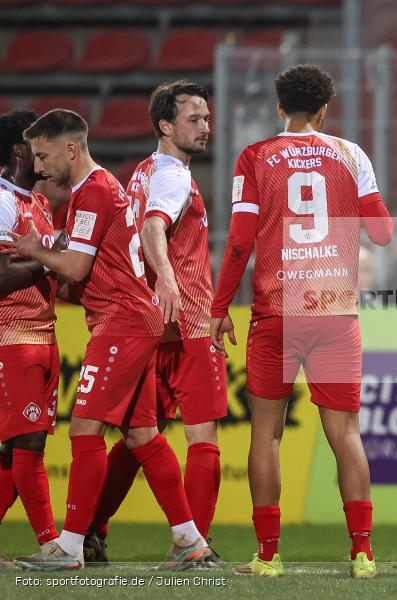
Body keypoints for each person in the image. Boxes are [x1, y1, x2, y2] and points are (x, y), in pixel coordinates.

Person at [210, 64, 394, 578]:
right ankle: (362, 553)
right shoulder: (350, 154)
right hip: (334, 310)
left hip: (276, 312)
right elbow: (381, 233)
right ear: (325, 109)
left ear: (279, 108)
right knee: (346, 433)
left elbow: (242, 241)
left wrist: (219, 306)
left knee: (265, 435)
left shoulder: (254, 157)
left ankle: (267, 557)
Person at [7, 109, 209, 571]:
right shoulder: (90, 191)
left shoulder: (94, 191)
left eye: (43, 155)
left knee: (85, 429)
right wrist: (53, 250)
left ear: (70, 149)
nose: (38, 168)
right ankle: (189, 539)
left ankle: (71, 545)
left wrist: (38, 249)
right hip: (129, 319)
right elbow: (84, 269)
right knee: (142, 434)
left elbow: (77, 270)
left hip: (121, 321)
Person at [84, 81, 226, 566]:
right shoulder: (174, 177)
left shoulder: (140, 173)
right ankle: (196, 545)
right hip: (183, 322)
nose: (206, 127)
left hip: (145, 322)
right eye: (194, 119)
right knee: (202, 437)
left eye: (207, 118)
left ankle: (90, 529)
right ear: (166, 125)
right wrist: (167, 278)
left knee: (138, 433)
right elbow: (152, 227)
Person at [0, 110, 59, 568]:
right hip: (10, 337)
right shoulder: (1, 201)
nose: (46, 153)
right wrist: (48, 259)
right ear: (19, 150)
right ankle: (51, 545)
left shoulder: (38, 205)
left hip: (41, 335)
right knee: (29, 442)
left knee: (11, 448)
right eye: (38, 144)